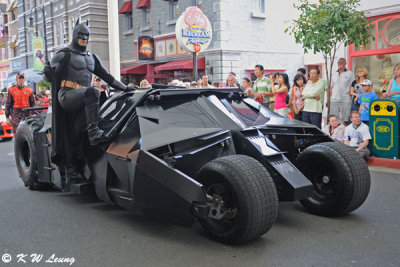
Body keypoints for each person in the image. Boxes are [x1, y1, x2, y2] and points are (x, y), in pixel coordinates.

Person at [43, 20, 132, 183]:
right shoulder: (64, 54)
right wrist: (47, 73)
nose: (84, 37)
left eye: (86, 35)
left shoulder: (92, 58)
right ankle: (93, 132)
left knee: (75, 133)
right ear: (74, 35)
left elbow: (109, 78)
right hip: (67, 96)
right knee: (93, 91)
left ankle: (72, 168)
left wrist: (126, 88)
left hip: (85, 98)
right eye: (81, 34)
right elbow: (50, 76)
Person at [330, 58, 355, 125]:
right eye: (339, 62)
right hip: (334, 99)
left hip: (345, 98)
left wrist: (350, 96)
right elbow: (331, 86)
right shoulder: (334, 73)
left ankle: (345, 133)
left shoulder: (350, 73)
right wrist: (329, 98)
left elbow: (353, 85)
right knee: (335, 118)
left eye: (342, 62)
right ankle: (336, 133)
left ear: (345, 63)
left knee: (345, 119)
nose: (340, 64)